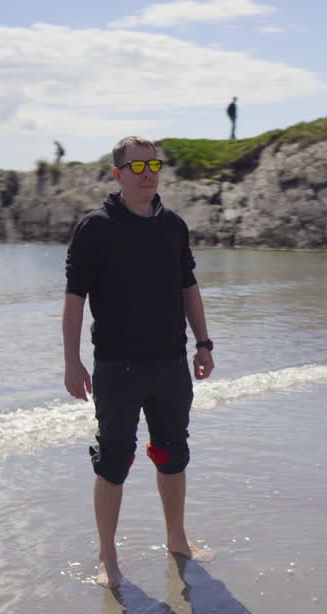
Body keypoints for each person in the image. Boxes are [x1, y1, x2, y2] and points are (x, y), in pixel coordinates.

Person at [63, 135, 216, 588]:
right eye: (137, 167)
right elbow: (75, 298)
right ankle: (107, 556)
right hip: (116, 366)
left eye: (154, 166)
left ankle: (177, 539)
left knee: (172, 454)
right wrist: (72, 362)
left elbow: (188, 287)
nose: (147, 174)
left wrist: (203, 343)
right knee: (114, 460)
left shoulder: (173, 225)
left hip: (170, 363)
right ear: (118, 173)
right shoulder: (95, 227)